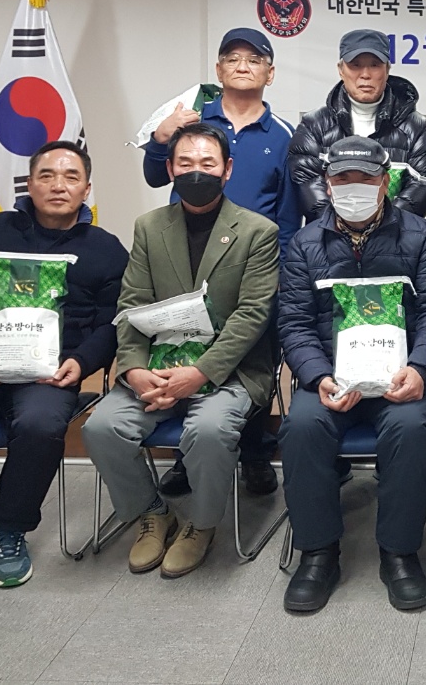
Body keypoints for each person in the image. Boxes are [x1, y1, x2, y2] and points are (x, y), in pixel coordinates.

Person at [0, 142, 127, 592]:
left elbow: (115, 322)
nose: (58, 185)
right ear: (28, 184)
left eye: (71, 177)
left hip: (53, 373)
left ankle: (9, 529)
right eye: (46, 175)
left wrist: (82, 362)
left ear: (87, 189)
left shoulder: (106, 249)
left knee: (39, 426)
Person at [82, 123, 278, 579]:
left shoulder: (257, 232)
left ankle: (201, 525)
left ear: (227, 169)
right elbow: (132, 304)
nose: (196, 172)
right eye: (185, 163)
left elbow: (253, 314)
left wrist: (201, 373)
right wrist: (133, 370)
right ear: (169, 169)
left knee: (208, 430)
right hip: (157, 364)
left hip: (228, 370)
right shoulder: (149, 228)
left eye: (208, 163)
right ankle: (152, 513)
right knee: (102, 427)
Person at [276, 137, 426, 614]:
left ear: (385, 182)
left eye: (365, 178)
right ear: (327, 183)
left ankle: (399, 553)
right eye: (342, 179)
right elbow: (293, 322)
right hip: (331, 378)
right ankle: (318, 553)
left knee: (412, 429)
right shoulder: (305, 243)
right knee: (301, 427)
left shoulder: (421, 235)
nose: (353, 187)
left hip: (400, 379)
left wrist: (420, 369)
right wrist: (317, 376)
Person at [142, 26, 298, 497]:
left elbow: (289, 213)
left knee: (253, 357)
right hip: (187, 259)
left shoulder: (284, 135)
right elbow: (154, 176)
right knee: (184, 348)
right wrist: (161, 137)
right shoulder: (189, 120)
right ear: (218, 69)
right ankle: (187, 459)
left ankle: (254, 452)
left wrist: (281, 272)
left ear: (270, 73)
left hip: (254, 265)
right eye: (233, 58)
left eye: (254, 59)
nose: (242, 66)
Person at [287, 28, 426, 222]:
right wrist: (343, 229)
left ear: (387, 70)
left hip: (396, 236)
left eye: (375, 65)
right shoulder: (314, 125)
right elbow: (308, 183)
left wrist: (382, 228)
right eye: (355, 65)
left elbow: (422, 185)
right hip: (327, 235)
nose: (365, 74)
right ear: (341, 70)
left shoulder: (416, 128)